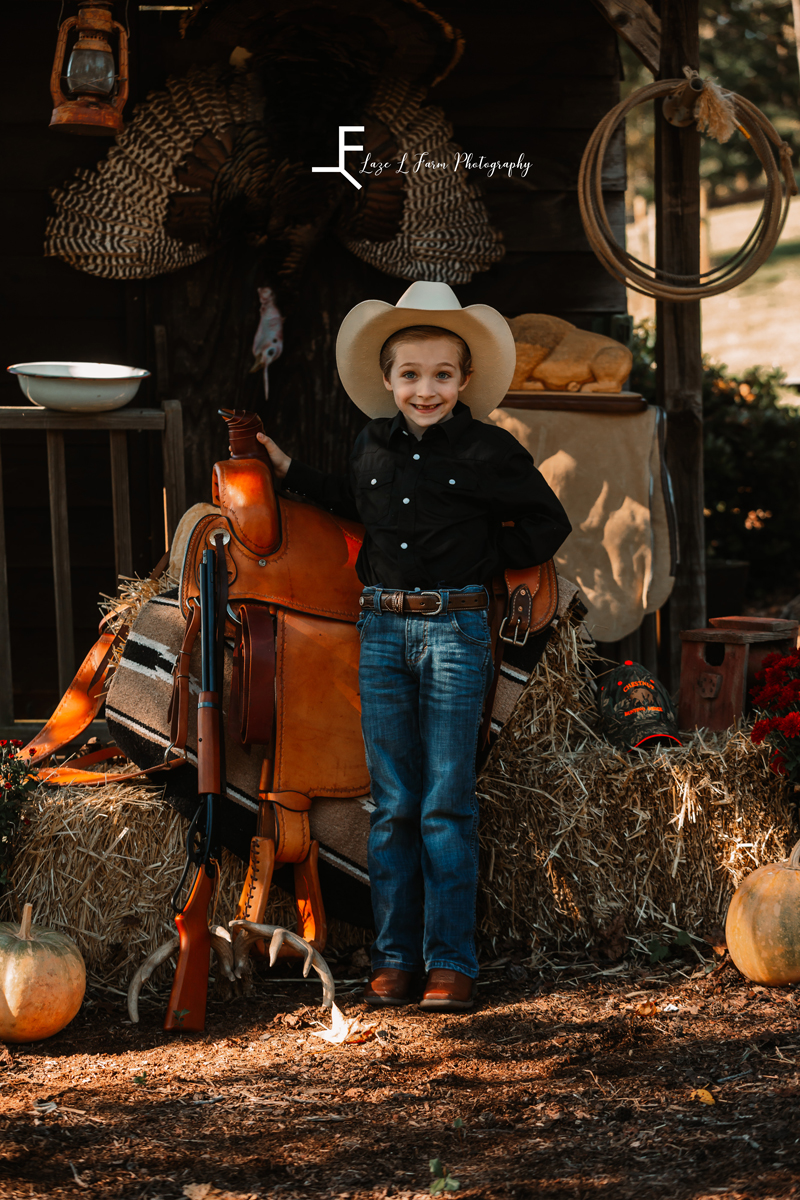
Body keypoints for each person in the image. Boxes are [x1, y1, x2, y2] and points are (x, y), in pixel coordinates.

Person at [257, 280, 571, 1012]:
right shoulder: (372, 443)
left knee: (446, 804)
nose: (424, 389)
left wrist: (482, 559)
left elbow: (544, 523)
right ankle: (395, 958)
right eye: (410, 375)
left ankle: (451, 963)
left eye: (440, 376)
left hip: (456, 628)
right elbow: (351, 497)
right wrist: (289, 473)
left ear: (463, 382)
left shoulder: (489, 449)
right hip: (381, 631)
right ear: (389, 380)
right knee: (393, 802)